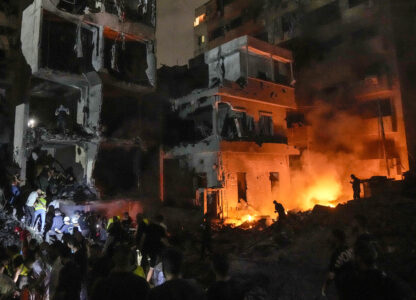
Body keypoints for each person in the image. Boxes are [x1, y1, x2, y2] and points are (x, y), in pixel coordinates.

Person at [321, 229, 354, 299]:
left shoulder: (336, 254)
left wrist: (325, 287)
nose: (330, 239)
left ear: (336, 239)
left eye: (332, 237)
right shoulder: (349, 250)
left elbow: (332, 274)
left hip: (344, 287)